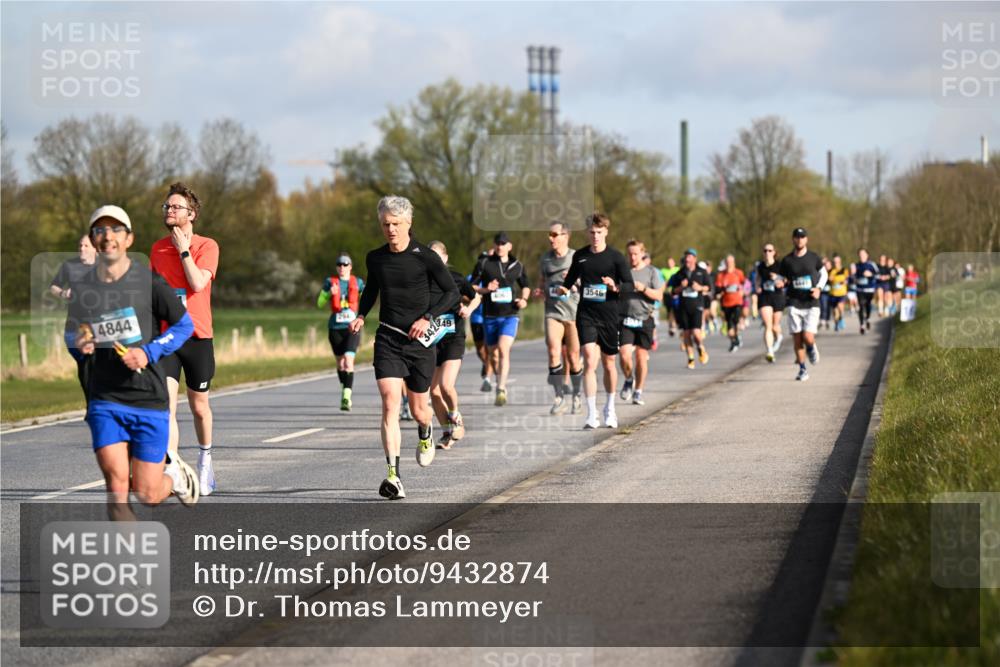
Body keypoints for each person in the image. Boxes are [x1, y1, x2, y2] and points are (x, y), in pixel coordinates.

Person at [66, 205, 198, 517]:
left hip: (147, 398)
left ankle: (175, 477)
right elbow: (72, 334)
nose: (107, 236)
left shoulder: (149, 283)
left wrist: (149, 352)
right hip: (105, 399)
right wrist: (79, 344)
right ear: (93, 239)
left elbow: (184, 326)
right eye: (100, 230)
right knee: (117, 488)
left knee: (148, 494)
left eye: (115, 230)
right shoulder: (84, 289)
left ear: (129, 239)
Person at [348, 196, 459, 500]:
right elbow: (373, 288)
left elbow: (451, 294)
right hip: (388, 338)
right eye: (385, 224)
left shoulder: (426, 257)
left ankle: (425, 433)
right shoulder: (376, 258)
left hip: (420, 344)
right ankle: (394, 477)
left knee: (420, 410)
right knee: (389, 403)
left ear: (408, 223)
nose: (391, 230)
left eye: (396, 224)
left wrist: (428, 318)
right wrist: (360, 315)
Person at [150, 182, 220, 496]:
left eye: (175, 207)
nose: (169, 211)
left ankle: (205, 461)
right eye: (167, 206)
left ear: (191, 214)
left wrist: (183, 250)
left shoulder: (208, 246)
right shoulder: (156, 248)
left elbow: (196, 282)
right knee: (166, 406)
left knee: (199, 406)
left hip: (198, 336)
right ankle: (174, 468)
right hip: (167, 338)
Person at [558, 212, 633, 429]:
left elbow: (629, 285)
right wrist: (560, 289)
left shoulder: (616, 257)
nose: (595, 236)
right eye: (592, 232)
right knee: (589, 359)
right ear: (587, 233)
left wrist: (615, 287)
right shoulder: (580, 256)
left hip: (610, 314)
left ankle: (610, 408)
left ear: (606, 232)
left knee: (609, 362)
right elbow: (570, 281)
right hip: (586, 314)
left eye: (599, 232)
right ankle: (591, 414)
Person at [427, 241, 480, 449]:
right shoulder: (423, 281)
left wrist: (468, 309)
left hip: (453, 337)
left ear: (445, 259)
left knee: (446, 385)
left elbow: (476, 298)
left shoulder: (456, 278)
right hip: (433, 338)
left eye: (438, 257)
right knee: (433, 391)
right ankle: (447, 432)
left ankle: (455, 414)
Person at [470, 232, 530, 407]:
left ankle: (501, 388)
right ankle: (498, 380)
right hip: (490, 316)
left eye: (503, 243)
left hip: (510, 315)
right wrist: (486, 289)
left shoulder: (517, 265)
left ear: (509, 246)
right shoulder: (485, 263)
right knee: (493, 355)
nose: (500, 246)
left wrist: (524, 300)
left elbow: (525, 285)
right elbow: (472, 286)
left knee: (504, 349)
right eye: (497, 243)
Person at [534, 221, 582, 416]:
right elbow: (542, 282)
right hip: (552, 311)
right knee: (554, 350)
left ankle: (577, 395)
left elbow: (588, 283)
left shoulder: (576, 257)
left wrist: (575, 280)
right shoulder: (545, 259)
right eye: (549, 234)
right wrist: (540, 291)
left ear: (565, 236)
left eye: (554, 235)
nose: (550, 238)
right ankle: (559, 397)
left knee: (572, 357)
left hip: (573, 313)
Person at [777, 228, 826, 381]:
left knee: (807, 336)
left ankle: (811, 347)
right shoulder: (787, 261)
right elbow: (780, 277)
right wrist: (780, 282)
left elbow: (824, 274)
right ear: (793, 239)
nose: (799, 240)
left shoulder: (813, 258)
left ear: (806, 240)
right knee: (797, 338)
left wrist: (819, 288)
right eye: (797, 237)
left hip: (811, 302)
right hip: (794, 302)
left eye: (802, 237)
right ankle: (802, 369)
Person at [619, 239, 664, 406]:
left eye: (636, 253)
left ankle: (638, 391)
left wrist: (643, 288)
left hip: (645, 318)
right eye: (629, 254)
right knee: (624, 355)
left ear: (642, 253)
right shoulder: (623, 272)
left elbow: (659, 295)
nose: (632, 257)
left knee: (641, 357)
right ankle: (629, 379)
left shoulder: (652, 272)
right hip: (625, 318)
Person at [317, 253, 365, 411]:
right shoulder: (330, 282)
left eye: (345, 265)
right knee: (340, 363)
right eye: (339, 265)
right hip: (335, 328)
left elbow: (367, 299)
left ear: (350, 267)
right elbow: (319, 303)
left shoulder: (357, 282)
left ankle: (346, 396)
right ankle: (344, 388)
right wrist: (329, 293)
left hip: (352, 328)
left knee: (348, 361)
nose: (342, 268)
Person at [669, 249, 712, 369]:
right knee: (686, 334)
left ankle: (700, 348)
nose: (687, 260)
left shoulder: (701, 272)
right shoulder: (679, 273)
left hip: (697, 306)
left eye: (689, 258)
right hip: (683, 307)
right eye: (686, 258)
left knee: (696, 333)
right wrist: (681, 287)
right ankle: (691, 358)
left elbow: (709, 288)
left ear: (694, 259)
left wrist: (700, 287)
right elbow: (672, 292)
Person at [754, 243, 786, 363]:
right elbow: (757, 279)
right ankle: (770, 351)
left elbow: (786, 279)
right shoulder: (760, 266)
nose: (767, 253)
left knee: (775, 325)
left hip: (777, 296)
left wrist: (778, 279)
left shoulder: (780, 265)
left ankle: (779, 336)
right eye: (765, 250)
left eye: (770, 250)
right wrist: (757, 287)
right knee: (768, 325)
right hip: (765, 296)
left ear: (774, 252)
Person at [469, 250, 494, 392]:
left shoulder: (493, 277)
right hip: (476, 317)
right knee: (480, 350)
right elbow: (464, 296)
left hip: (490, 316)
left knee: (489, 348)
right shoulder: (471, 278)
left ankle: (487, 379)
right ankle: (486, 364)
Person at [49, 234, 97, 300]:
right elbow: (53, 287)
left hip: (100, 309)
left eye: (86, 246)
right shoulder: (69, 265)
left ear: (95, 249)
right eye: (80, 245)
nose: (82, 248)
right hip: (76, 309)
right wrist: (62, 293)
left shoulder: (104, 265)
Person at [715, 254, 746, 352]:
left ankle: (736, 337)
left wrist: (743, 291)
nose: (729, 264)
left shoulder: (739, 273)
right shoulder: (721, 275)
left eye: (731, 262)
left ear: (734, 263)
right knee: (729, 326)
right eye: (727, 262)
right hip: (726, 303)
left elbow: (745, 284)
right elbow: (718, 289)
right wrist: (719, 294)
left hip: (737, 302)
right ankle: (734, 339)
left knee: (735, 321)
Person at [852, 248, 879, 334]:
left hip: (869, 289)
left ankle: (867, 318)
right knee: (860, 305)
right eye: (860, 254)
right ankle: (862, 325)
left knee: (867, 305)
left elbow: (878, 275)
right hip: (860, 289)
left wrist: (871, 274)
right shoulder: (856, 265)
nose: (862, 256)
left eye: (863, 254)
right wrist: (853, 275)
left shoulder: (872, 264)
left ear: (867, 255)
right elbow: (852, 278)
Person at [827, 254, 850, 332]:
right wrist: (830, 279)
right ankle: (836, 323)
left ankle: (841, 319)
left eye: (837, 261)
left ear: (840, 261)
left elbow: (848, 279)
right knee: (834, 311)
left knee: (840, 306)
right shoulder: (831, 271)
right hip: (833, 293)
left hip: (842, 293)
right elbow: (829, 280)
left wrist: (845, 281)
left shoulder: (844, 270)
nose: (836, 263)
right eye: (834, 261)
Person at [660, 257, 680, 337]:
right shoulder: (663, 271)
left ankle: (674, 326)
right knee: (669, 311)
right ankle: (671, 326)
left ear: (674, 263)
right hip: (667, 293)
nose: (669, 264)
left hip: (675, 293)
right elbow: (661, 282)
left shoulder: (677, 270)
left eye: (671, 262)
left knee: (674, 310)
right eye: (668, 262)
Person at [819, 257, 833, 330]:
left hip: (831, 292)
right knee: (823, 305)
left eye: (828, 265)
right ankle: (822, 320)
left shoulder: (833, 272)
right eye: (825, 265)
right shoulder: (822, 272)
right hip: (823, 292)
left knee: (828, 307)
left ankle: (827, 320)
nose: (827, 266)